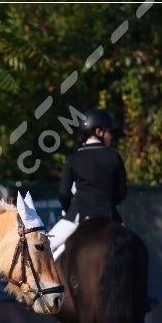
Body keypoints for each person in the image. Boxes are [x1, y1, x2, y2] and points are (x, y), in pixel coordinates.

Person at [47, 108, 127, 261]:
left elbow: (64, 193)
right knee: (131, 253)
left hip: (78, 215)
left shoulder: (74, 158)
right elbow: (121, 193)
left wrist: (67, 209)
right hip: (110, 216)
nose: (110, 136)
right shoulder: (114, 157)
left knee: (43, 248)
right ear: (99, 131)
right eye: (109, 132)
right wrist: (108, 204)